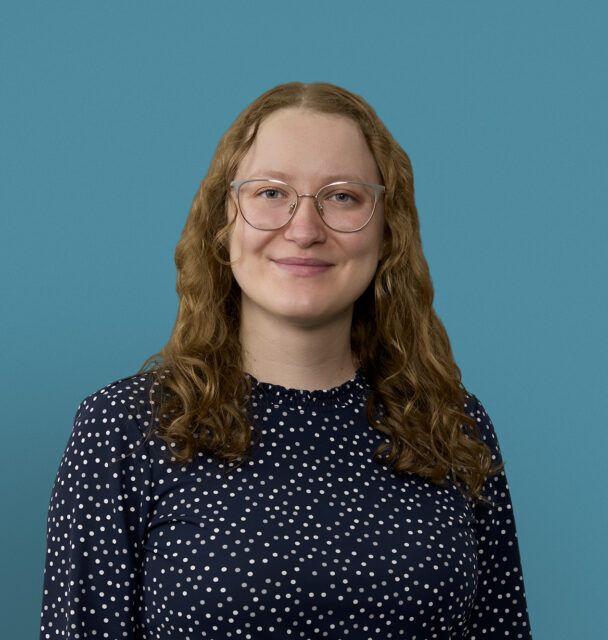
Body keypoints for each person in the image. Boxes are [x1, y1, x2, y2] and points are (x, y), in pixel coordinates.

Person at [39, 82, 532, 639]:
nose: (304, 230)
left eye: (342, 197)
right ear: (223, 221)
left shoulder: (451, 424)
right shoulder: (124, 428)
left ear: (387, 229)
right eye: (271, 192)